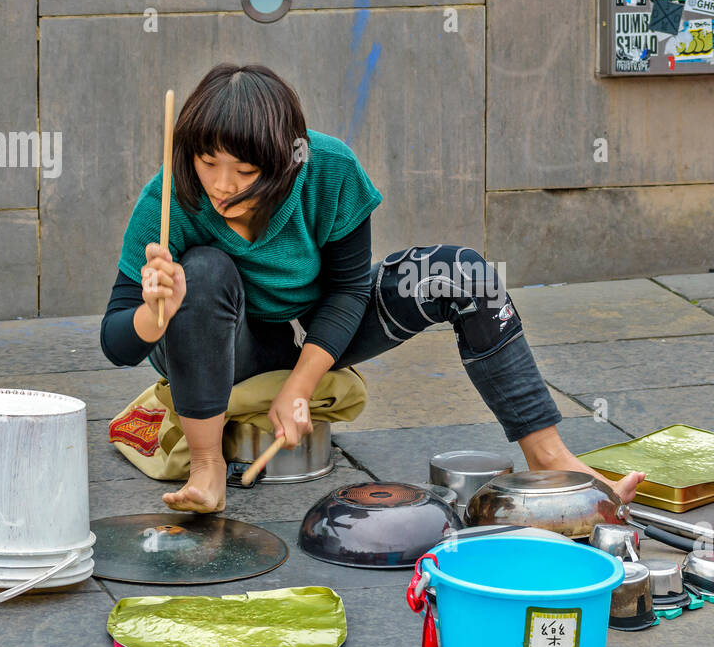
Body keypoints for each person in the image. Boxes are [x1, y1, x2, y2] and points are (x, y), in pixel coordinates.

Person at [99, 63, 645, 514]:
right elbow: (116, 343)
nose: (222, 184)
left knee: (464, 273)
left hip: (316, 328)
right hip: (222, 343)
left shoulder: (329, 169)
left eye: (245, 170)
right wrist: (155, 313)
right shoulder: (167, 200)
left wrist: (299, 387)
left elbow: (347, 291)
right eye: (207, 162)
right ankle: (207, 466)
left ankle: (546, 454)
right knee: (206, 269)